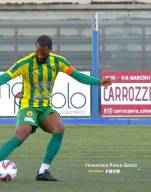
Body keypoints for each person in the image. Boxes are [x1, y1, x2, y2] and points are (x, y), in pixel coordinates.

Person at [0, 35, 112, 181]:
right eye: (38, 51)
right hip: (28, 106)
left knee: (59, 128)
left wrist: (98, 82)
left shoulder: (58, 62)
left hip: (45, 107)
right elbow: (5, 77)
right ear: (35, 48)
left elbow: (78, 76)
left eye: (44, 53)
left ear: (50, 50)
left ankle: (43, 171)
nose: (40, 55)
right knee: (23, 133)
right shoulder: (25, 63)